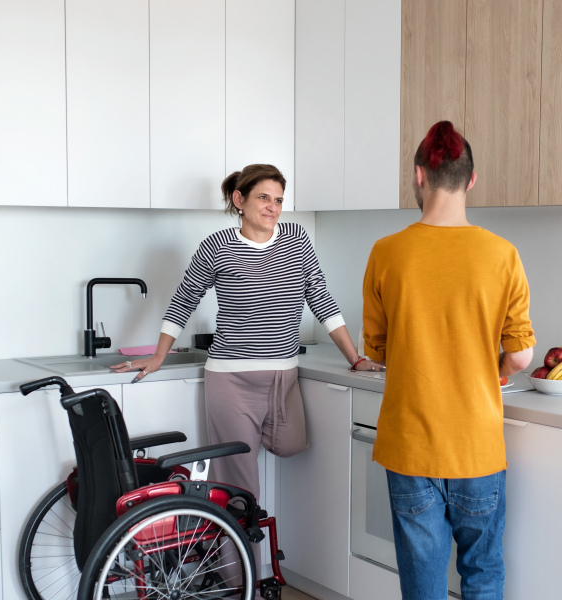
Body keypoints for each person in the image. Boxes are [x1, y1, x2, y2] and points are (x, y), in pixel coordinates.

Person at [112, 163, 382, 574]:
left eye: (278, 200)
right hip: (230, 380)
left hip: (283, 377)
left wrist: (354, 358)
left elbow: (321, 299)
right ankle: (242, 581)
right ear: (239, 201)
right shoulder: (217, 245)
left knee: (292, 445)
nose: (272, 207)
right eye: (263, 198)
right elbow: (184, 299)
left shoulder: (296, 240)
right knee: (242, 489)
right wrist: (159, 355)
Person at [361, 122, 535, 600]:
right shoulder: (502, 254)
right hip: (476, 446)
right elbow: (521, 355)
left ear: (420, 175)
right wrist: (491, 369)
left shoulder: (386, 252)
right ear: (471, 179)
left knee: (424, 586)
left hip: (410, 447)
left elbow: (375, 350)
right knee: (482, 575)